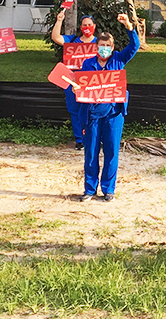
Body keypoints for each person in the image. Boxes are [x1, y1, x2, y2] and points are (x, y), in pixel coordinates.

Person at [76, 13, 138, 201]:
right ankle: (89, 189)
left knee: (111, 152)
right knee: (91, 152)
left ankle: (108, 189)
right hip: (93, 114)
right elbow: (82, 86)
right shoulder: (88, 64)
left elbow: (134, 46)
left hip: (114, 113)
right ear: (96, 47)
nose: (104, 49)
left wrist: (129, 26)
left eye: (107, 46)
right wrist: (76, 88)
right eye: (101, 46)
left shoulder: (119, 59)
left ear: (112, 47)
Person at [51, 11, 100, 150]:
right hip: (72, 80)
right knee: (75, 110)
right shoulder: (72, 41)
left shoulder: (99, 42)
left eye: (89, 25)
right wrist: (59, 20)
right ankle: (79, 139)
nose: (87, 27)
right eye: (84, 25)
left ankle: (93, 137)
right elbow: (56, 37)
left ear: (94, 26)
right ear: (80, 26)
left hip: (92, 81)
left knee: (94, 109)